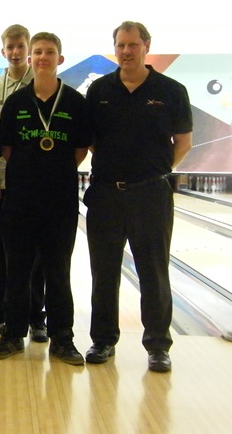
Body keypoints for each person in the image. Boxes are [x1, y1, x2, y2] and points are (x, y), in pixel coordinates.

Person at [83, 21, 193, 372]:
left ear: (146, 46)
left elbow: (184, 142)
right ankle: (102, 341)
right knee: (103, 273)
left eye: (133, 44)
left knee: (154, 272)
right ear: (114, 48)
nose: (126, 51)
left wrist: (155, 171)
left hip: (151, 195)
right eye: (121, 45)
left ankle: (158, 346)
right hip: (105, 193)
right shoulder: (99, 89)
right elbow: (90, 141)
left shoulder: (172, 90)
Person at [0, 33, 90, 364]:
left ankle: (63, 338)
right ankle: (13, 335)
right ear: (30, 59)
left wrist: (52, 172)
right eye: (37, 52)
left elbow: (80, 150)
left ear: (60, 58)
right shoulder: (16, 103)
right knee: (16, 269)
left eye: (49, 52)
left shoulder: (75, 103)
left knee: (58, 271)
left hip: (59, 203)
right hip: (19, 201)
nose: (43, 57)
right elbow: (7, 149)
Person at [0, 24, 48, 344]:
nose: (17, 52)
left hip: (31, 183)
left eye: (22, 46)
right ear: (3, 50)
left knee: (33, 255)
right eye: (11, 46)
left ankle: (36, 317)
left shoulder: (41, 84)